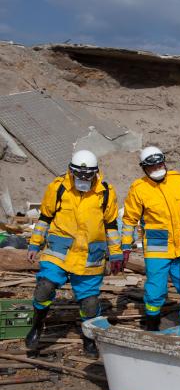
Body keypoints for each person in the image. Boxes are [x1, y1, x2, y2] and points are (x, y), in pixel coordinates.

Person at [26, 150, 123, 357]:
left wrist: (116, 253)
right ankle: (38, 324)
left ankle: (89, 338)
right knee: (44, 288)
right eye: (80, 175)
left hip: (90, 255)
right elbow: (45, 217)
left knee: (89, 303)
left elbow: (111, 225)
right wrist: (35, 243)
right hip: (59, 250)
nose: (84, 179)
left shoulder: (105, 191)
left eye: (88, 176)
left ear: (95, 173)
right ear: (71, 171)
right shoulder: (58, 187)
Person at [121, 147, 180, 331]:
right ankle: (152, 323)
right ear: (144, 168)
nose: (157, 168)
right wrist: (125, 246)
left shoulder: (179, 181)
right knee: (156, 289)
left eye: (159, 164)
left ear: (164, 161)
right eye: (152, 166)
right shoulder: (139, 189)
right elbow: (129, 219)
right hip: (157, 247)